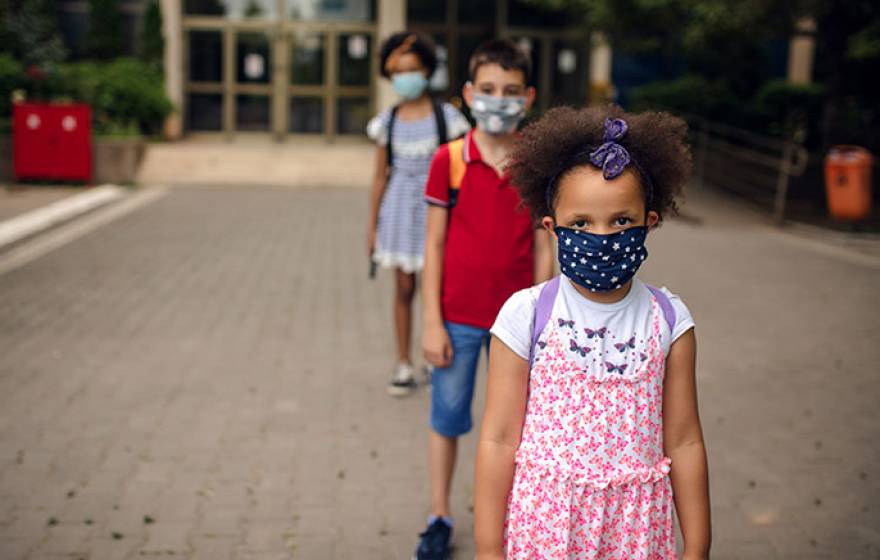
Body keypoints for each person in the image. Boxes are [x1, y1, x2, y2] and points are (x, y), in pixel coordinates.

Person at [474, 106, 711, 559]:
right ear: (552, 228)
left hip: (635, 534)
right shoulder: (526, 314)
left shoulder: (670, 320)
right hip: (546, 530)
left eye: (621, 221)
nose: (602, 237)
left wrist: (697, 547)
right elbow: (498, 438)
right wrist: (487, 548)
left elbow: (685, 440)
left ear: (649, 222)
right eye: (581, 224)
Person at [416, 39, 555, 559]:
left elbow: (545, 244)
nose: (500, 99)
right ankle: (439, 515)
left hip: (517, 330)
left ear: (528, 97)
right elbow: (433, 244)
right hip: (456, 318)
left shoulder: (536, 166)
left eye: (511, 90)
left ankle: (504, 521)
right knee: (447, 418)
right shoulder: (449, 160)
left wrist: (542, 320)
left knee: (510, 430)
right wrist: (431, 321)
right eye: (489, 89)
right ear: (470, 93)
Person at [367, 32, 470, 397]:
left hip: (437, 213)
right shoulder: (388, 121)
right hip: (398, 213)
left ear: (427, 70)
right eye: (397, 71)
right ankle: (403, 362)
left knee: (437, 287)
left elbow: (461, 172)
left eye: (412, 69)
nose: (405, 77)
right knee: (404, 288)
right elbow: (380, 176)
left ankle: (434, 356)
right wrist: (372, 227)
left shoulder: (447, 119)